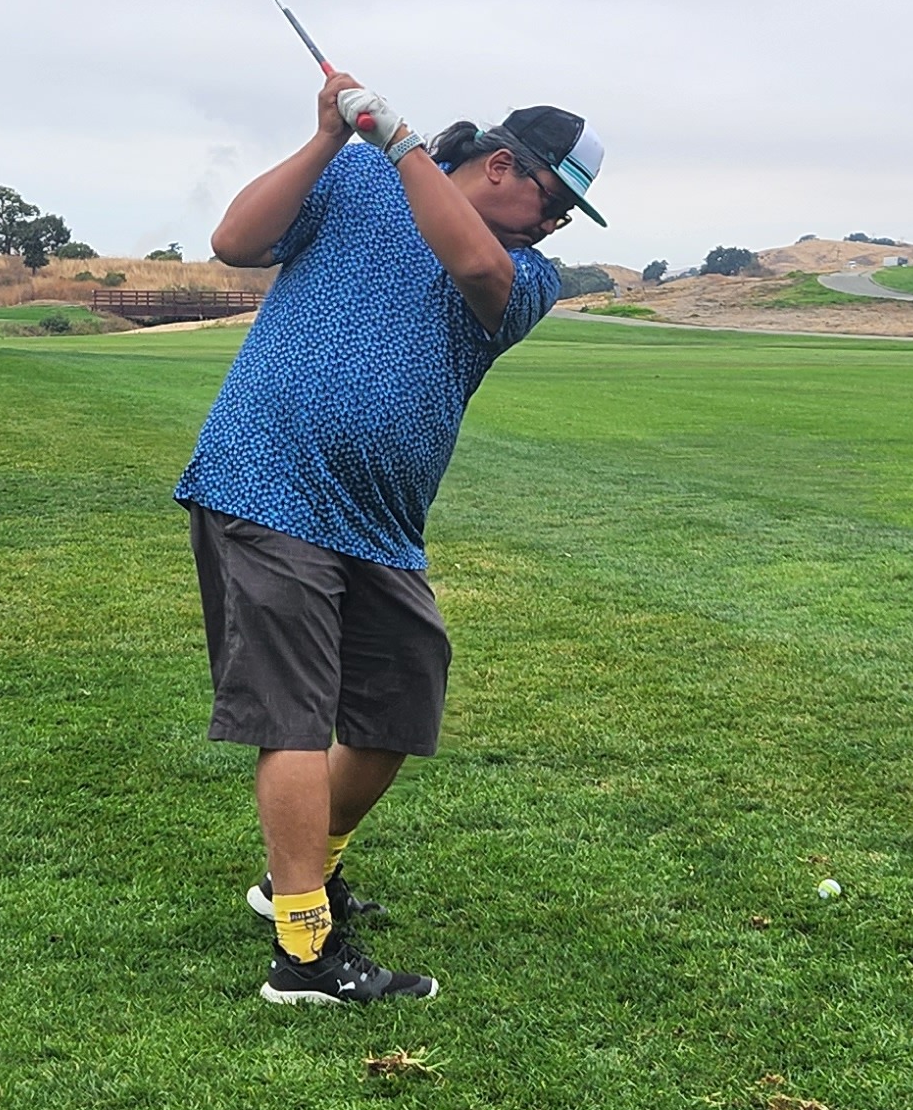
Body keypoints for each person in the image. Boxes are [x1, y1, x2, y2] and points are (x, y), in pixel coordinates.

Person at [178, 70, 607, 1003]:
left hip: (379, 519)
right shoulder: (355, 177)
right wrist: (330, 138)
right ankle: (303, 951)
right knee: (294, 713)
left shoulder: (525, 273)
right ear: (503, 165)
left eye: (569, 214)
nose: (556, 224)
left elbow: (475, 270)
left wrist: (402, 144)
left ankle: (303, 871)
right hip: (265, 479)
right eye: (556, 201)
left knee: (401, 699)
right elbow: (234, 242)